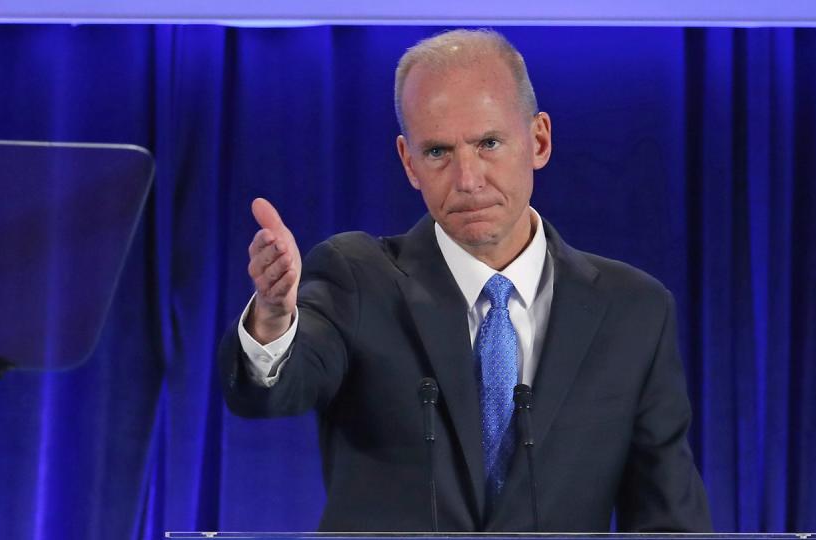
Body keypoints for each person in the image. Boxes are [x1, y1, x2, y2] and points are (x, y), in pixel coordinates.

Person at [218, 28, 712, 532]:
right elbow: (272, 391)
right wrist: (275, 321)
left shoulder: (634, 311)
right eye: (438, 152)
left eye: (489, 143)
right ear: (409, 162)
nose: (468, 180)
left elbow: (668, 517)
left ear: (539, 140)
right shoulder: (358, 278)